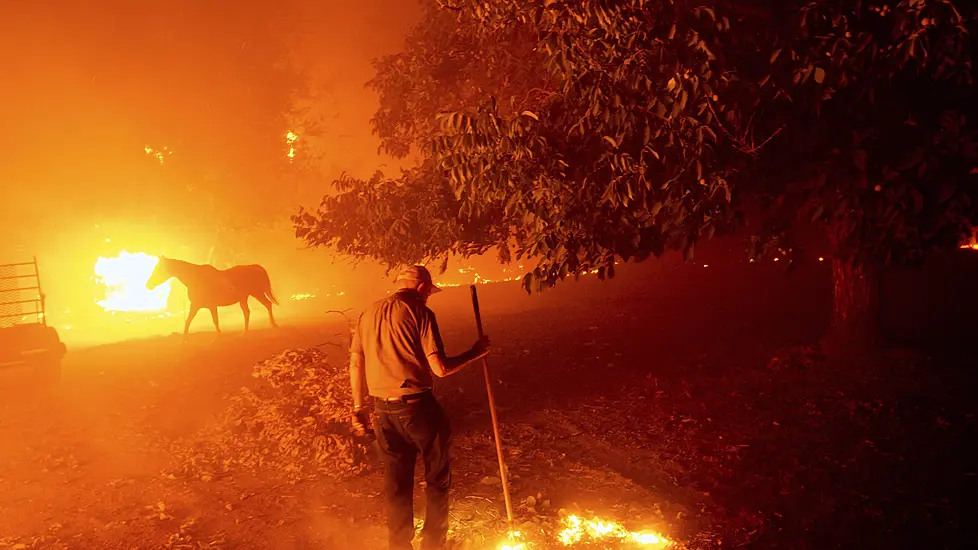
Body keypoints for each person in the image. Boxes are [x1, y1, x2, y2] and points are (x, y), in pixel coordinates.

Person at [349, 265, 490, 550]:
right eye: (429, 292)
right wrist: (475, 352)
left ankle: (399, 546)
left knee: (397, 485)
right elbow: (439, 368)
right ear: (422, 288)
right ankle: (433, 545)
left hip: (383, 413)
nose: (429, 297)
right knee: (437, 478)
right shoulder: (420, 313)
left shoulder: (368, 313)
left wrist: (358, 406)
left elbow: (355, 362)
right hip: (417, 408)